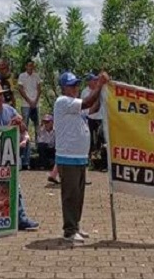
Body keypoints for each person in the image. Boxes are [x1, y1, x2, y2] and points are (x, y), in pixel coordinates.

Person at [54, 70, 109, 243]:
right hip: (67, 157)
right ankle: (69, 230)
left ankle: (75, 225)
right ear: (64, 88)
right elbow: (88, 102)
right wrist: (99, 84)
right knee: (70, 195)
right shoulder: (63, 101)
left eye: (77, 84)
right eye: (72, 85)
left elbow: (94, 107)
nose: (76, 88)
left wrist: (103, 90)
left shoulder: (75, 106)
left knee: (78, 195)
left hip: (78, 157)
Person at [0, 81, 39, 231]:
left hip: (11, 155)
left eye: (1, 95)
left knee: (15, 186)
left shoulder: (9, 109)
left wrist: (19, 124)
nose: (0, 98)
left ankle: (20, 217)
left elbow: (24, 127)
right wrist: (9, 127)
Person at [17, 60, 42, 169]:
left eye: (32, 65)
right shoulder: (22, 76)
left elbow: (39, 88)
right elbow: (20, 89)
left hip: (36, 103)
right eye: (28, 65)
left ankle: (37, 145)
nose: (30, 67)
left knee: (37, 125)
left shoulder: (36, 76)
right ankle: (25, 144)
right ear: (26, 66)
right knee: (25, 126)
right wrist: (29, 100)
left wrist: (35, 101)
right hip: (25, 104)